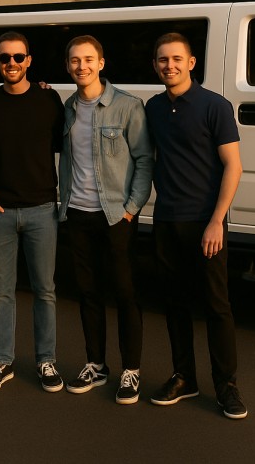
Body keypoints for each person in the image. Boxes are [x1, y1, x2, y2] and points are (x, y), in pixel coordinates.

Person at [144, 32, 247, 420]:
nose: (168, 66)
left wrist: (216, 221)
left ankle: (227, 386)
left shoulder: (214, 106)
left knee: (217, 306)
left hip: (207, 225)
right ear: (155, 66)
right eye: (162, 60)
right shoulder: (153, 107)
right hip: (167, 221)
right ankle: (184, 377)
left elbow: (233, 166)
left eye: (175, 59)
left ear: (191, 63)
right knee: (174, 304)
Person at [58, 35, 153, 404]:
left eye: (88, 59)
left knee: (126, 294)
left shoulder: (128, 107)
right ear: (68, 66)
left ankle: (132, 369)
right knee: (87, 292)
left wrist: (131, 208)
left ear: (101, 63)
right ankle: (96, 365)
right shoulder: (67, 108)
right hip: (77, 214)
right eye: (74, 61)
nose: (81, 66)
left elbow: (145, 160)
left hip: (117, 216)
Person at [0, 31, 65, 393]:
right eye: (4, 58)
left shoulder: (49, 99)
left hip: (42, 208)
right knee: (1, 291)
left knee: (45, 290)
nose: (11, 63)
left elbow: (65, 143)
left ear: (29, 61)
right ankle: (2, 360)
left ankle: (46, 361)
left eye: (18, 57)